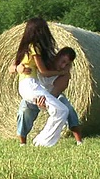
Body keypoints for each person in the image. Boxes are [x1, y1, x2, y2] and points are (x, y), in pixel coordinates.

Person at [12, 17, 70, 147]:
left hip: (27, 86)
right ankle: (42, 142)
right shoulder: (35, 47)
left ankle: (41, 141)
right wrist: (60, 73)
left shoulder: (25, 48)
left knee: (60, 110)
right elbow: (43, 72)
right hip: (30, 85)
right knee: (61, 110)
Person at [12, 47, 83, 146]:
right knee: (24, 109)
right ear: (57, 56)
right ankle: (22, 143)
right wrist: (17, 68)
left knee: (68, 109)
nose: (63, 66)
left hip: (52, 96)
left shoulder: (64, 76)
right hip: (34, 92)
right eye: (62, 61)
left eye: (67, 64)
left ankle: (79, 141)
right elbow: (13, 67)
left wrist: (44, 105)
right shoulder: (42, 60)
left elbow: (54, 94)